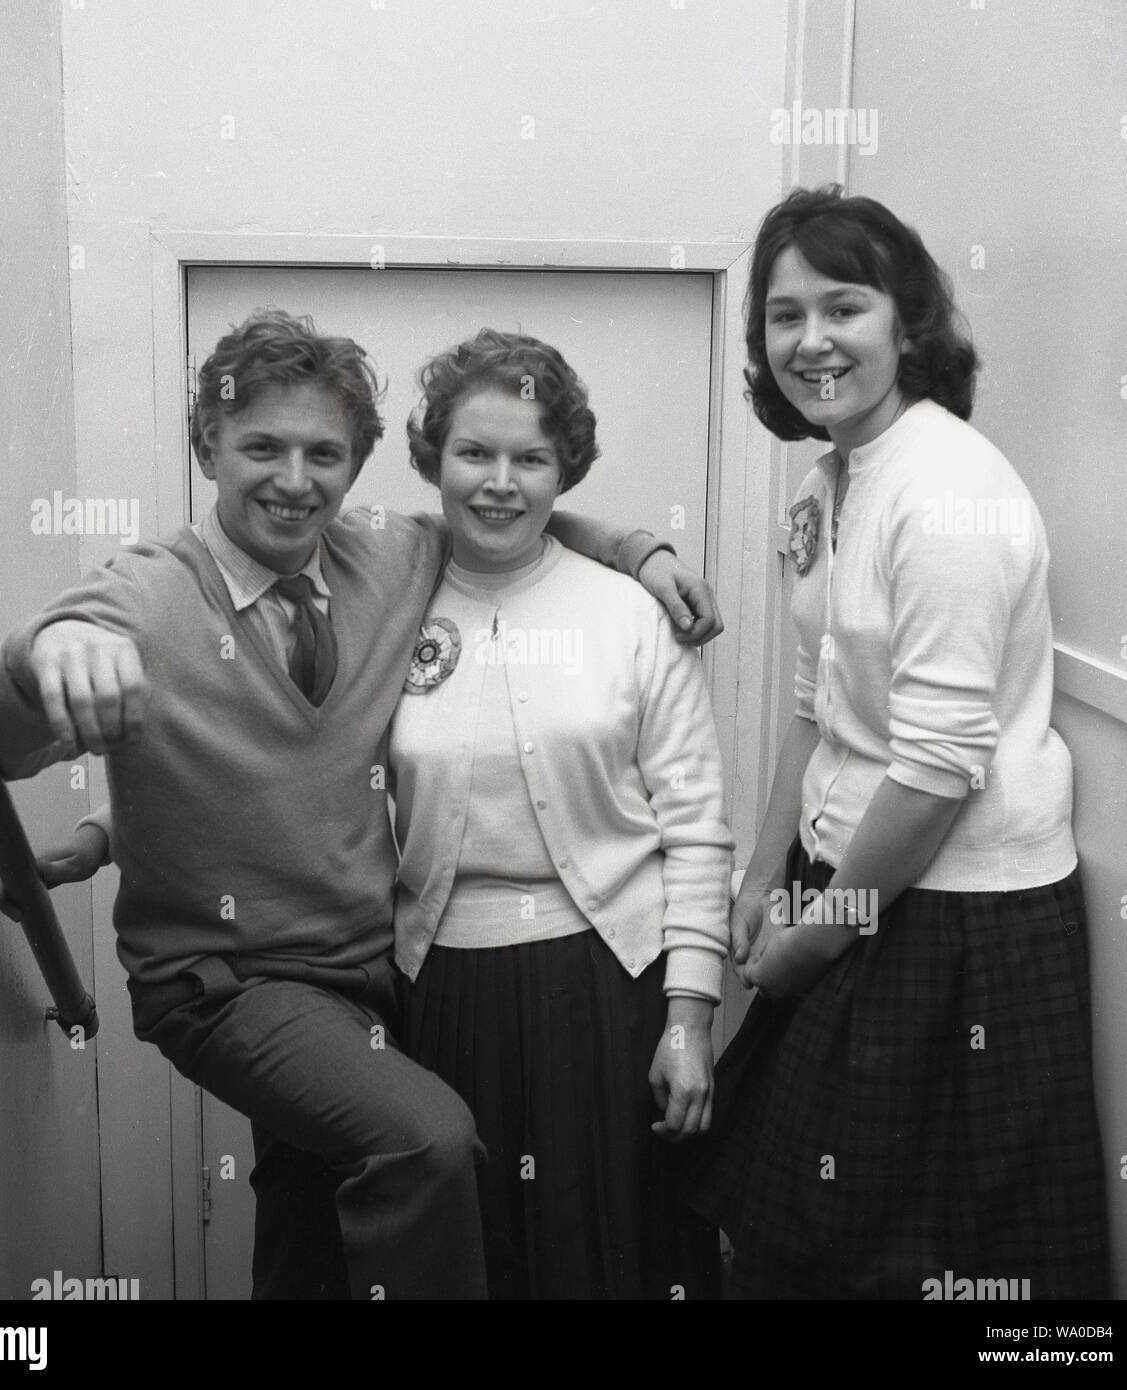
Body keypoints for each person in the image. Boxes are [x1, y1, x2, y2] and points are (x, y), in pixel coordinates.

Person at [0, 309, 723, 1301]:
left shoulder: (383, 562)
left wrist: (639, 550)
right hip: (235, 983)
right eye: (262, 447)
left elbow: (502, 518)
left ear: (360, 465)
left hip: (369, 981)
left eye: (323, 452)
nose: (294, 478)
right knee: (427, 1146)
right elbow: (5, 711)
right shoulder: (148, 597)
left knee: (311, 1233)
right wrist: (48, 646)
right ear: (208, 444)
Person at [686, 186, 1109, 1300]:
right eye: (785, 316)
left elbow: (932, 773)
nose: (812, 341)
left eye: (844, 307)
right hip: (858, 882)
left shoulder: (949, 494)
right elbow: (812, 702)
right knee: (798, 1231)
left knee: (943, 1265)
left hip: (960, 916)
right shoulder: (830, 478)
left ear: (906, 325)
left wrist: (809, 942)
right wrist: (761, 866)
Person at [389, 329, 734, 1299]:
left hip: (606, 992)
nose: (500, 483)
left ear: (564, 469)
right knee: (475, 1258)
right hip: (438, 993)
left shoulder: (627, 614)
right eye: (474, 454)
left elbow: (697, 828)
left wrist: (689, 1019)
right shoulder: (382, 604)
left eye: (530, 458)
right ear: (432, 459)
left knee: (609, 1257)